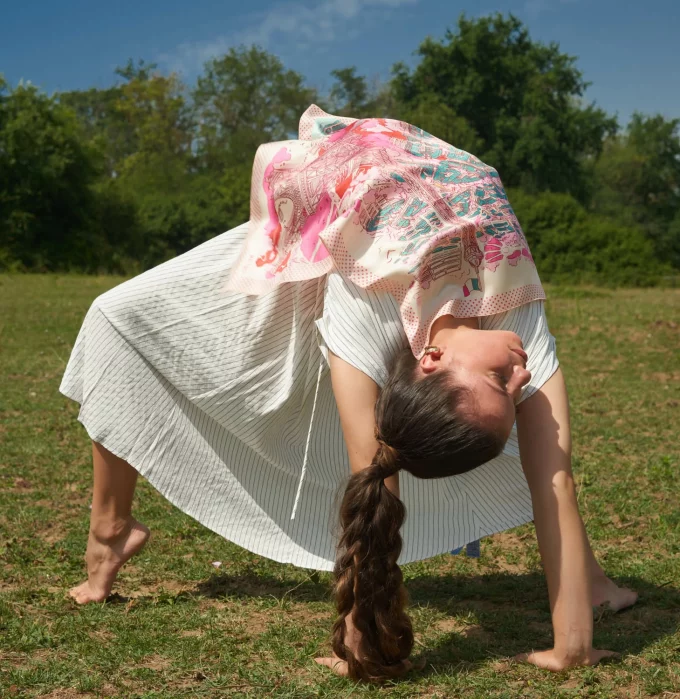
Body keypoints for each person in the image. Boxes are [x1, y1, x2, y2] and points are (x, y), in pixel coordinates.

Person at [59, 106, 637, 683]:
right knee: (117, 316)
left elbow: (545, 476)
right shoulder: (484, 306)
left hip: (360, 234)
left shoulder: (468, 335)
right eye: (505, 386)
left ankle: (586, 582)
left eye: (506, 392)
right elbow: (384, 481)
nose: (521, 377)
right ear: (429, 359)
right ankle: (111, 528)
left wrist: (572, 647)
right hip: (353, 229)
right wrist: (366, 629)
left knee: (487, 458)